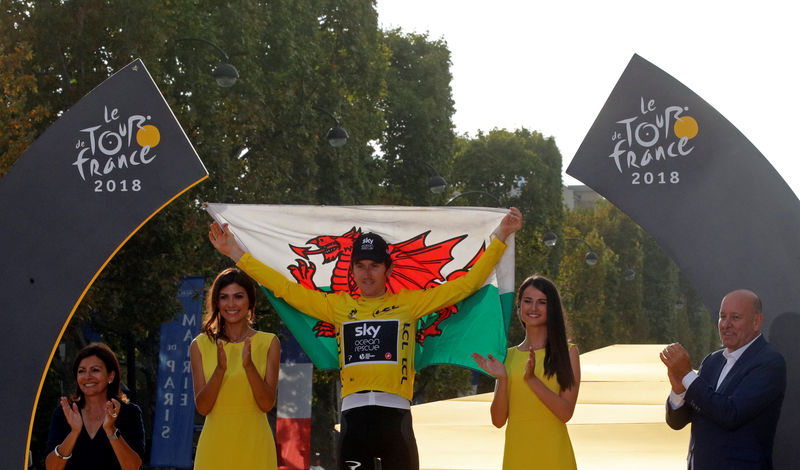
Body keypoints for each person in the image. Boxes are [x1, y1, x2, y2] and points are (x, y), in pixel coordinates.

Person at [208, 207, 522, 470]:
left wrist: (500, 237)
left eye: (374, 266)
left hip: (396, 417)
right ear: (352, 269)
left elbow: (465, 286)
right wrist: (235, 252)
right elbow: (285, 289)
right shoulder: (339, 306)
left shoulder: (409, 304)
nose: (367, 273)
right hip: (353, 419)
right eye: (361, 266)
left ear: (388, 269)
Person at [661, 289, 786, 470]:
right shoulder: (712, 361)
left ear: (756, 322)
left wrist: (688, 375)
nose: (726, 324)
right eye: (722, 316)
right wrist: (679, 389)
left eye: (735, 317)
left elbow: (731, 414)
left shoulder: (769, 363)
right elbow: (677, 422)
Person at [472, 275, 580, 469]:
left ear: (552, 308)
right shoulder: (507, 357)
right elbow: (497, 421)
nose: (533, 308)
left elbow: (565, 413)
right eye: (527, 301)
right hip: (517, 456)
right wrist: (503, 379)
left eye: (542, 302)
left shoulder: (569, 352)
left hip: (554, 457)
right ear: (519, 308)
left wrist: (532, 380)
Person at [190, 267, 281, 470]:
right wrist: (220, 370)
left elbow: (266, 403)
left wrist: (249, 367)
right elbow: (203, 408)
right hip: (215, 446)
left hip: (255, 445)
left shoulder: (269, 343)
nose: (231, 304)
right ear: (216, 302)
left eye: (238, 296)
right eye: (224, 297)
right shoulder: (200, 345)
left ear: (250, 301)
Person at [45, 343, 145, 470]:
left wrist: (110, 429)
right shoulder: (64, 413)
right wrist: (74, 433)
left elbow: (133, 467)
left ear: (111, 376)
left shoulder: (130, 413)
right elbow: (51, 467)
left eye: (95, 370)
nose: (87, 377)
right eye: (81, 371)